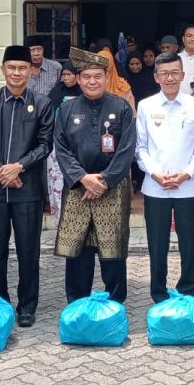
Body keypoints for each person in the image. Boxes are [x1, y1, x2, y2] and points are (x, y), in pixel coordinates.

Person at [0, 45, 54, 328]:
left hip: (27, 188)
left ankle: (27, 306)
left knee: (29, 250)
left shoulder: (41, 103)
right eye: (11, 68)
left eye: (22, 68)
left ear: (31, 71)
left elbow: (45, 144)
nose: (17, 73)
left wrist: (18, 167)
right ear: (3, 70)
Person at [54, 48, 136, 304]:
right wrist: (82, 177)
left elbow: (126, 149)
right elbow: (61, 148)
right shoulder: (67, 110)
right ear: (78, 79)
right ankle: (77, 304)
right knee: (78, 251)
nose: (92, 81)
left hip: (112, 189)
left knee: (113, 250)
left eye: (97, 76)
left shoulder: (120, 107)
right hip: (78, 188)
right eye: (86, 76)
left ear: (106, 76)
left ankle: (114, 304)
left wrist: (104, 180)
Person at [135, 51, 194, 304]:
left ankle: (188, 292)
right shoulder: (145, 106)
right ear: (156, 77)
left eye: (174, 73)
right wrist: (155, 173)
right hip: (155, 187)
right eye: (164, 73)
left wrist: (187, 173)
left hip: (187, 187)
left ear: (183, 75)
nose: (170, 78)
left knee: (190, 244)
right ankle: (158, 293)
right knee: (157, 244)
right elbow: (140, 147)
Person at [47, 61, 82, 224]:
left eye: (70, 74)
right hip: (58, 143)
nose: (66, 78)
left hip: (79, 144)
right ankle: (62, 221)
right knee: (58, 182)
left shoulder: (84, 92)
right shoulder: (56, 92)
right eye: (64, 75)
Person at [98, 46, 137, 110]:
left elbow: (131, 113)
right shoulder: (92, 84)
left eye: (106, 63)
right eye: (99, 63)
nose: (103, 67)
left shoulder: (123, 87)